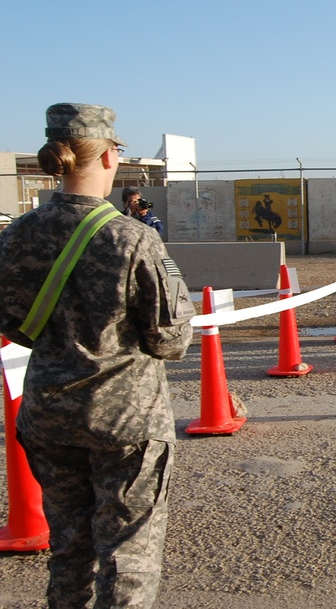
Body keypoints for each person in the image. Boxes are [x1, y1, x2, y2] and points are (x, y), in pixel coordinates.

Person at [0, 103, 194, 607]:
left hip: (48, 417)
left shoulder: (16, 235)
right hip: (124, 421)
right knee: (127, 556)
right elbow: (171, 341)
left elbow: (11, 325)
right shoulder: (134, 238)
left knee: (69, 548)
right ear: (109, 156)